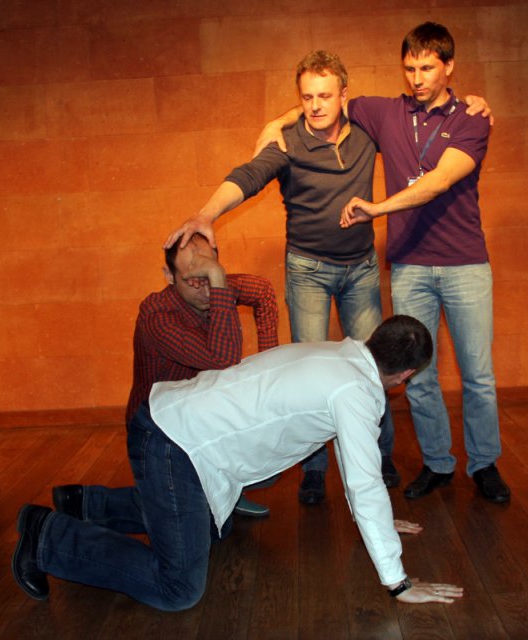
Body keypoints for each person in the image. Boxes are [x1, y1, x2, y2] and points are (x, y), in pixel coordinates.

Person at [13, 314, 466, 610]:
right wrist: (399, 582)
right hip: (173, 445)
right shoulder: (355, 392)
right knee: (178, 589)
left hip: (172, 423)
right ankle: (48, 537)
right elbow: (364, 483)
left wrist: (376, 521)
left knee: (216, 526)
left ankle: (83, 503)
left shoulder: (338, 355)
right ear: (406, 375)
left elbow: (353, 466)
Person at [257, 25, 507, 505]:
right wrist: (277, 123)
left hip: (465, 265)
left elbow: (440, 180)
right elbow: (325, 102)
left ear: (449, 66)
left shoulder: (472, 119)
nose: (417, 78)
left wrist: (377, 209)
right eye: (410, 68)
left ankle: (485, 464)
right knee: (419, 375)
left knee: (478, 376)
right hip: (409, 266)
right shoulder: (386, 111)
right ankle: (437, 464)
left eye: (427, 67)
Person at [166, 51, 401, 507]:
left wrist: (468, 103)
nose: (315, 106)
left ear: (344, 95)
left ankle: (380, 455)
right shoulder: (287, 142)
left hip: (361, 269)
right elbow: (249, 175)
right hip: (308, 271)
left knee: (373, 367)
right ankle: (313, 469)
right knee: (310, 377)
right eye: (306, 98)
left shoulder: (366, 132)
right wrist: (206, 214)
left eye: (324, 96)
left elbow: (415, 123)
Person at [51, 233, 280, 528]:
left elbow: (263, 292)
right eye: (193, 280)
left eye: (210, 275)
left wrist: (267, 361)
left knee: (270, 457)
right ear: (169, 276)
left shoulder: (217, 284)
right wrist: (218, 280)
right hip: (158, 431)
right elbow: (222, 358)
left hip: (200, 416)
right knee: (206, 527)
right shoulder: (157, 315)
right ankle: (85, 502)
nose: (206, 290)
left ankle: (218, 492)